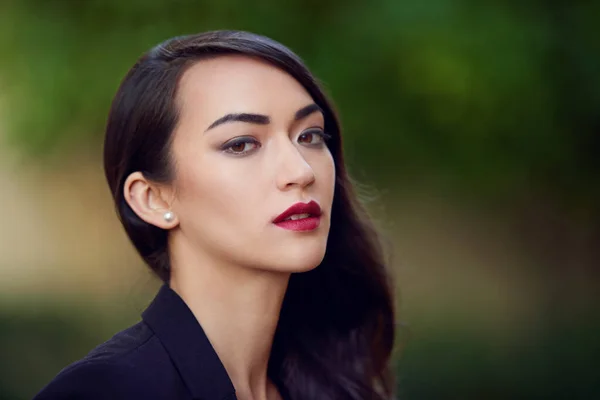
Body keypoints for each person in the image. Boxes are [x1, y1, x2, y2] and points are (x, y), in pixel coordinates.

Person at [34, 30, 396, 400]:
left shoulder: (334, 384)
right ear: (153, 199)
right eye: (241, 144)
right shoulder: (103, 391)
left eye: (310, 136)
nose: (302, 171)